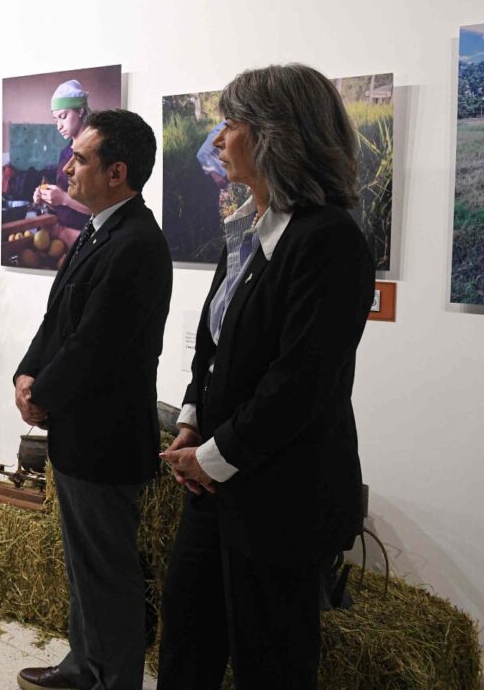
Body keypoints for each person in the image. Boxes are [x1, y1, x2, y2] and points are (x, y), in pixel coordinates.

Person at [157, 64, 376, 690]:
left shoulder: (329, 240)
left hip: (282, 496)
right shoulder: (250, 230)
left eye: (231, 123)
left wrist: (212, 457)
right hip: (218, 483)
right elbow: (216, 347)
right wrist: (192, 418)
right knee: (186, 638)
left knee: (271, 662)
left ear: (275, 134)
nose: (218, 139)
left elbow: (300, 382)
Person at [14, 109, 172, 690]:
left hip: (106, 439)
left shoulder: (136, 243)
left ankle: (113, 679)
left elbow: (94, 346)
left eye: (80, 159)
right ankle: (84, 666)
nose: (67, 168)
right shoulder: (101, 231)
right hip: (81, 433)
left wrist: (42, 396)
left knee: (107, 572)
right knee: (85, 567)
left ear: (116, 172)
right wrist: (26, 373)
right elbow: (58, 318)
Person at [33, 79, 94, 249]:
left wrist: (64, 199)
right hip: (63, 241)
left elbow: (102, 208)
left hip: (85, 242)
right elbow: (63, 202)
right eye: (56, 120)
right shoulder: (65, 153)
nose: (59, 126)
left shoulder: (95, 151)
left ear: (80, 110)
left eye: (63, 117)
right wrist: (48, 199)